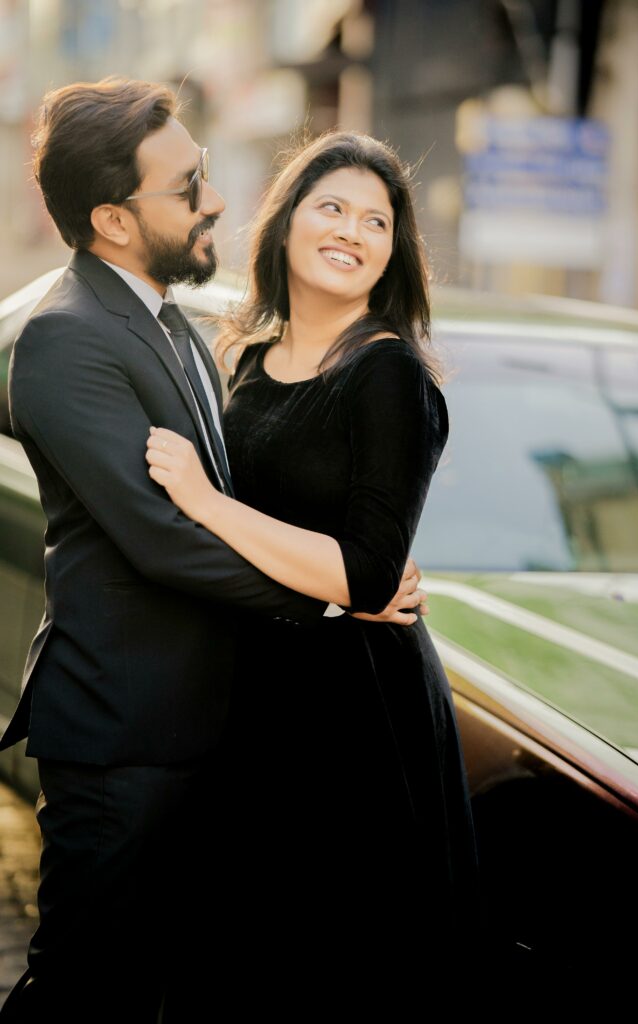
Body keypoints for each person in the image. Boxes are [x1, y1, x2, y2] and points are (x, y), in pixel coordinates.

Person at [0, 82, 422, 1023]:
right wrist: (336, 595)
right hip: (123, 736)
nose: (217, 200)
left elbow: (230, 504)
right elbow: (164, 540)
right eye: (188, 186)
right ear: (113, 220)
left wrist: (332, 563)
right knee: (82, 992)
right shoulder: (66, 338)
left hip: (204, 730)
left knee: (163, 993)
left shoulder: (177, 324)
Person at [145, 130, 480, 1013]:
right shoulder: (248, 364)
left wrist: (205, 502)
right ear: (286, 221)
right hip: (254, 697)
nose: (351, 231)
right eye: (332, 207)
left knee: (335, 977)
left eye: (376, 221)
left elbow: (366, 574)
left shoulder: (387, 373)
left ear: (392, 254)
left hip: (352, 717)